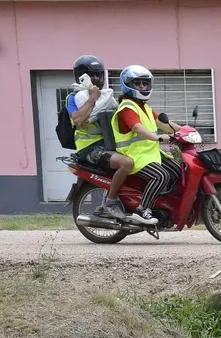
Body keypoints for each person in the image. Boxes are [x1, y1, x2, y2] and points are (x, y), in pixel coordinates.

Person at [111, 65, 182, 225]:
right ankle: (143, 209)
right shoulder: (127, 108)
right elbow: (137, 128)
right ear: (128, 85)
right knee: (160, 176)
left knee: (178, 170)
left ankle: (162, 206)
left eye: (145, 83)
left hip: (151, 154)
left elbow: (165, 124)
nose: (142, 87)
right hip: (135, 156)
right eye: (138, 83)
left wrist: (187, 131)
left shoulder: (145, 108)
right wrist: (158, 138)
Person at [67, 55, 134, 219]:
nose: (96, 78)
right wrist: (92, 98)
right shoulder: (74, 98)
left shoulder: (106, 97)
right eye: (92, 75)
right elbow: (78, 119)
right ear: (81, 76)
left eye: (98, 74)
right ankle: (110, 202)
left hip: (109, 146)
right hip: (89, 149)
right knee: (126, 163)